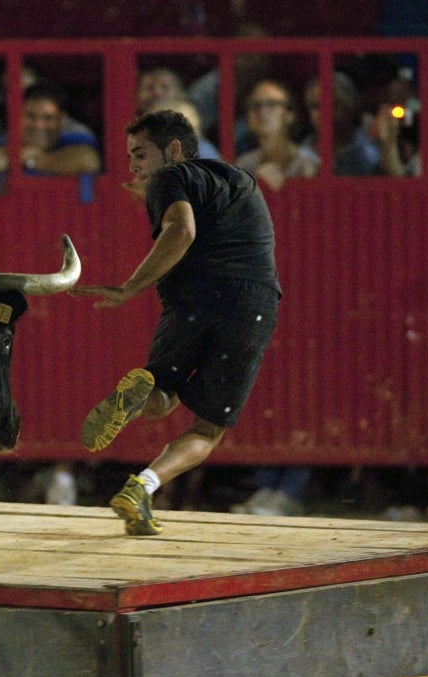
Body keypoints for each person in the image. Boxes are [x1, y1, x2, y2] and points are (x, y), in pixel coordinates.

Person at [71, 109, 280, 536]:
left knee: (162, 391)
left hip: (190, 301)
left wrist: (129, 287)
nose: (133, 166)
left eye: (140, 154)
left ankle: (137, 400)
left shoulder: (171, 178)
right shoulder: (240, 179)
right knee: (208, 427)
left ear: (174, 150)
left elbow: (181, 231)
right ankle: (142, 488)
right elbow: (196, 221)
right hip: (248, 302)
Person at [0, 81, 101, 176]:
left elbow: (88, 162)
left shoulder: (74, 140)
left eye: (48, 118)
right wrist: (27, 154)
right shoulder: (5, 142)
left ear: (62, 120)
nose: (38, 125)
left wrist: (30, 161)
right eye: (30, 116)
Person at [234, 80, 319, 191]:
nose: (262, 111)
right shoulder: (243, 164)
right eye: (255, 105)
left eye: (271, 104)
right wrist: (255, 182)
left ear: (289, 114)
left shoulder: (309, 163)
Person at [302, 71, 382, 176]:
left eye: (332, 104)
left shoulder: (372, 156)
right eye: (316, 106)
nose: (323, 113)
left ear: (351, 107)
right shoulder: (299, 154)